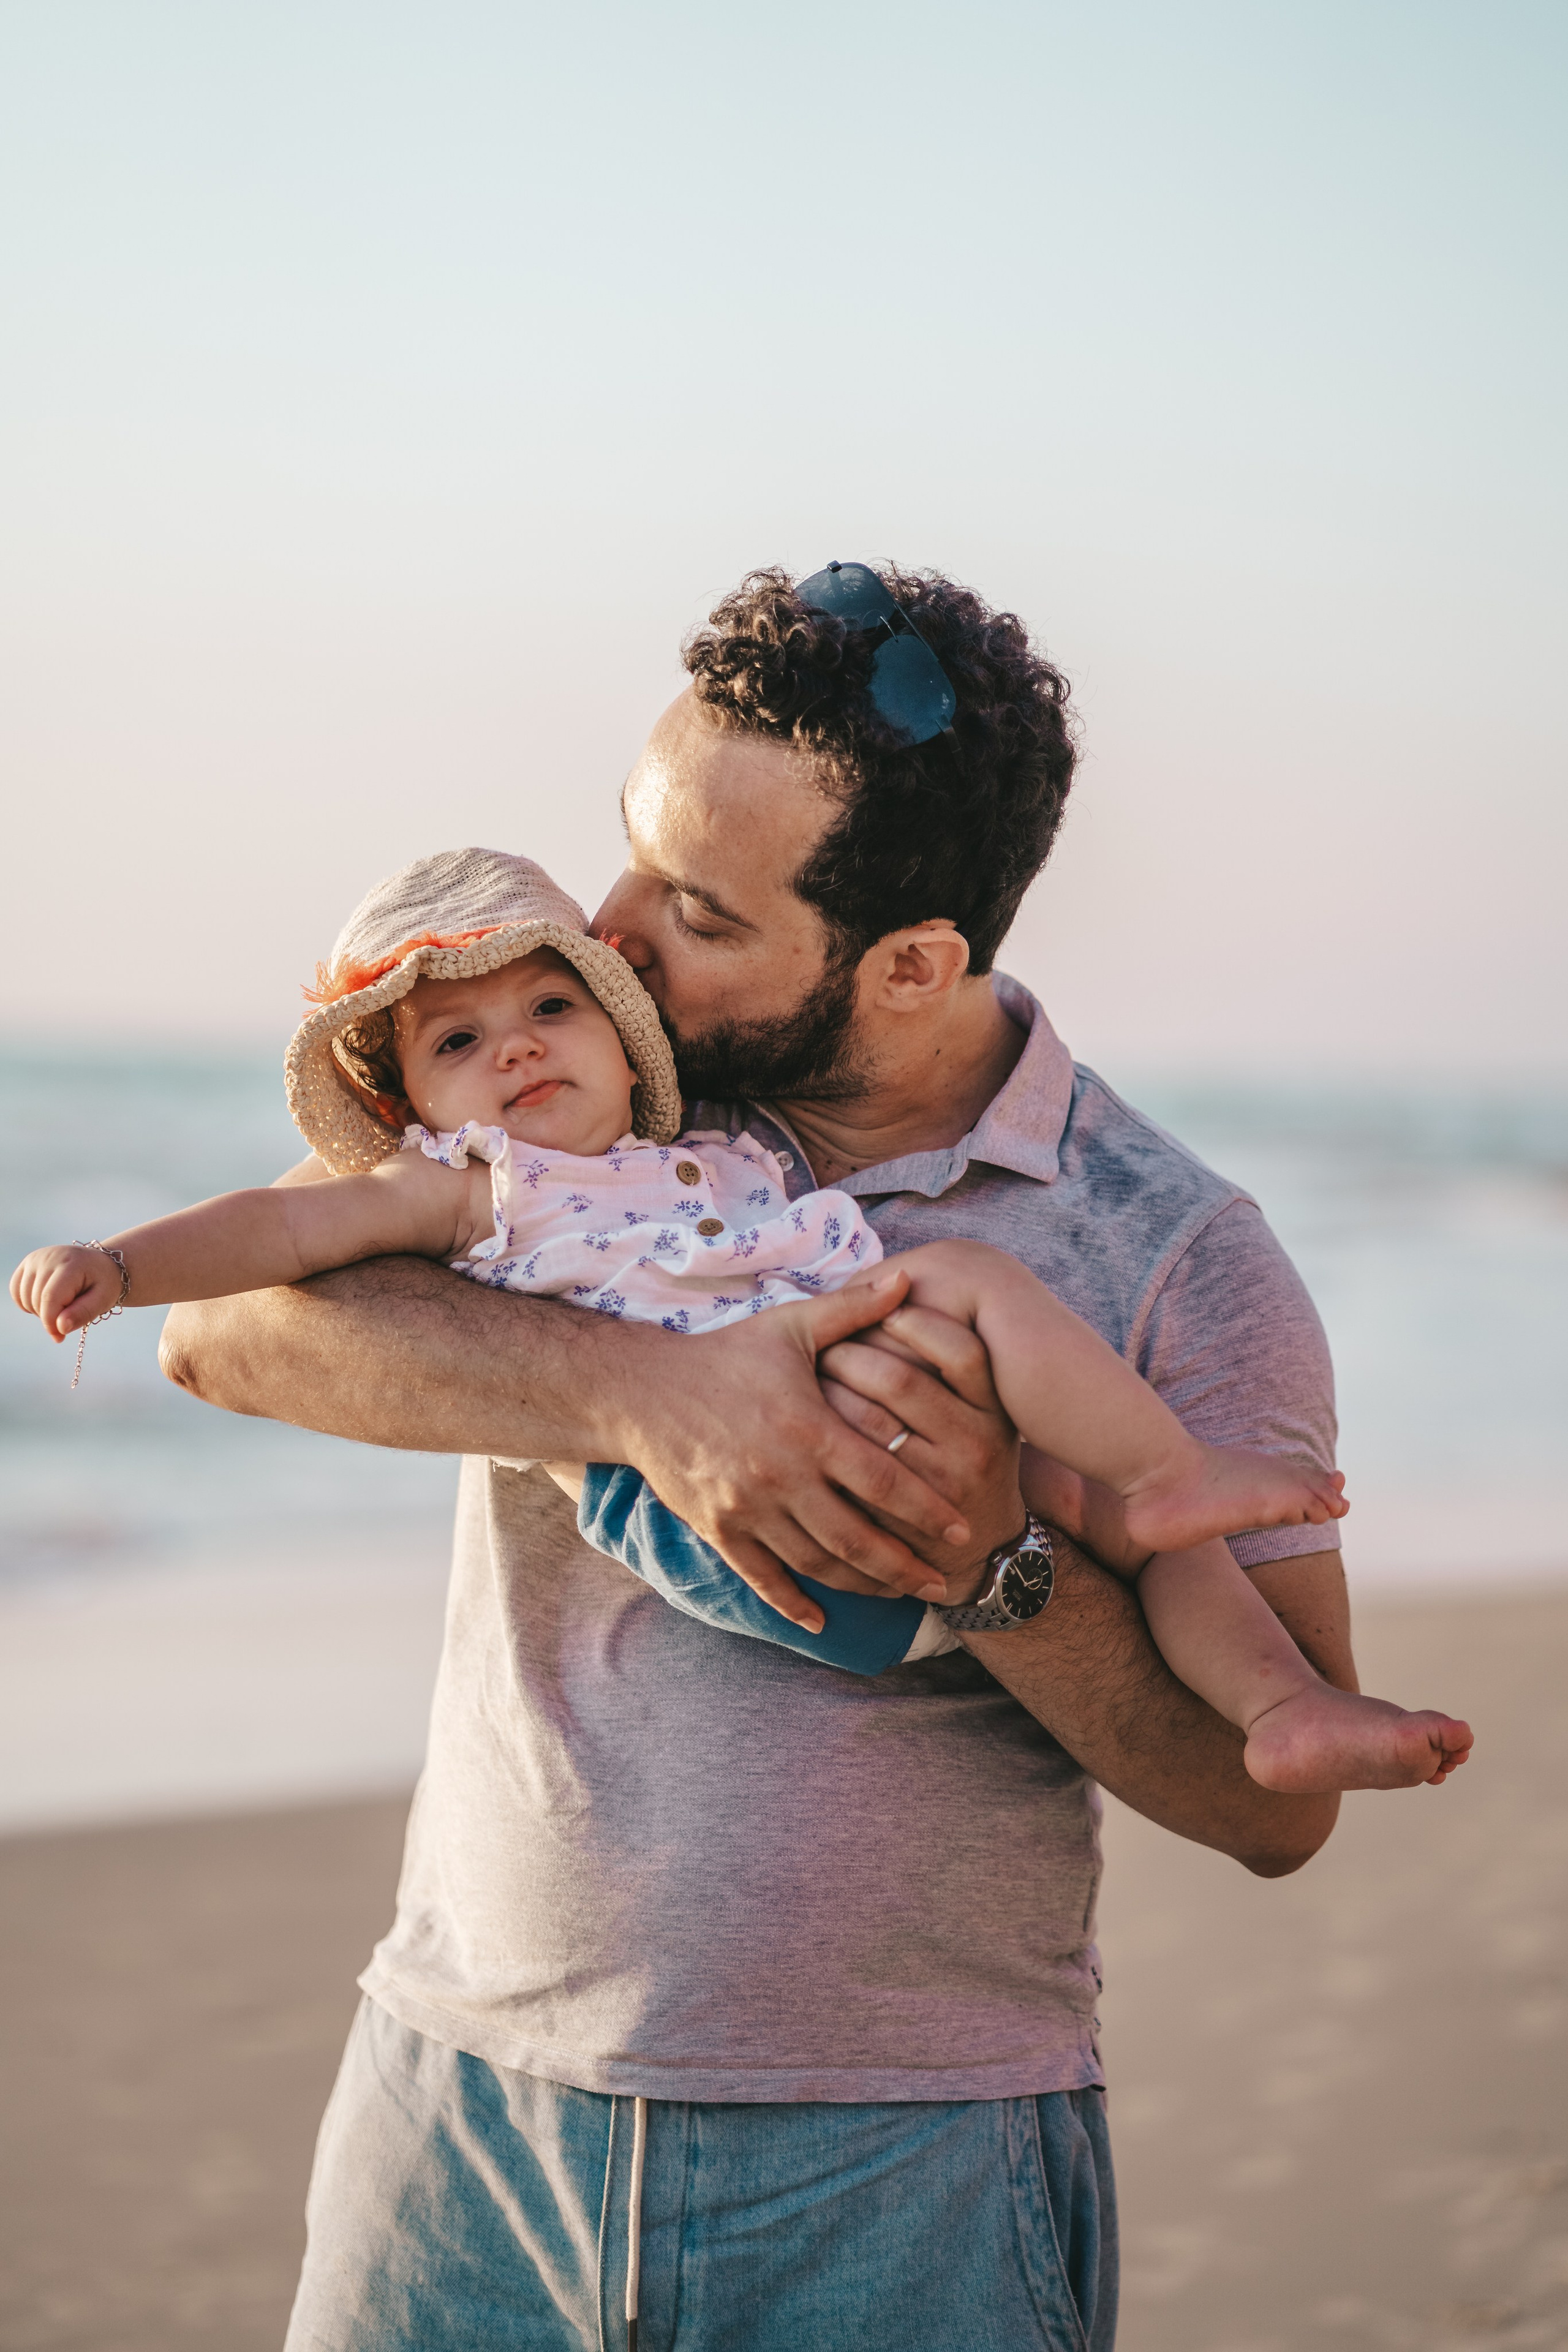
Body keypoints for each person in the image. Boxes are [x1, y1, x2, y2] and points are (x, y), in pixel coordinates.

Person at [149, 563, 1436, 2352]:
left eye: (693, 905)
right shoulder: (587, 1092)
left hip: (900, 2175)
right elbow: (222, 1328)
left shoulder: (1177, 1255)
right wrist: (642, 1399)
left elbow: (1274, 1806)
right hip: (459, 2115)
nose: (606, 931)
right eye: (630, 848)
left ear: (910, 963)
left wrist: (992, 1567)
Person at [15, 848, 1471, 1801]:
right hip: (740, 1531)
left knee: (1083, 1465)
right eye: (458, 1042)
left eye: (551, 1005)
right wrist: (121, 1262)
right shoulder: (463, 1182)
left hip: (869, 1400)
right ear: (412, 1104)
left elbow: (1271, 1847)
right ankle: (1138, 1495)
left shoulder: (701, 1135)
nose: (515, 1046)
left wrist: (996, 1546)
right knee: (1004, 1379)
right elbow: (268, 1252)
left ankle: (1269, 1688)